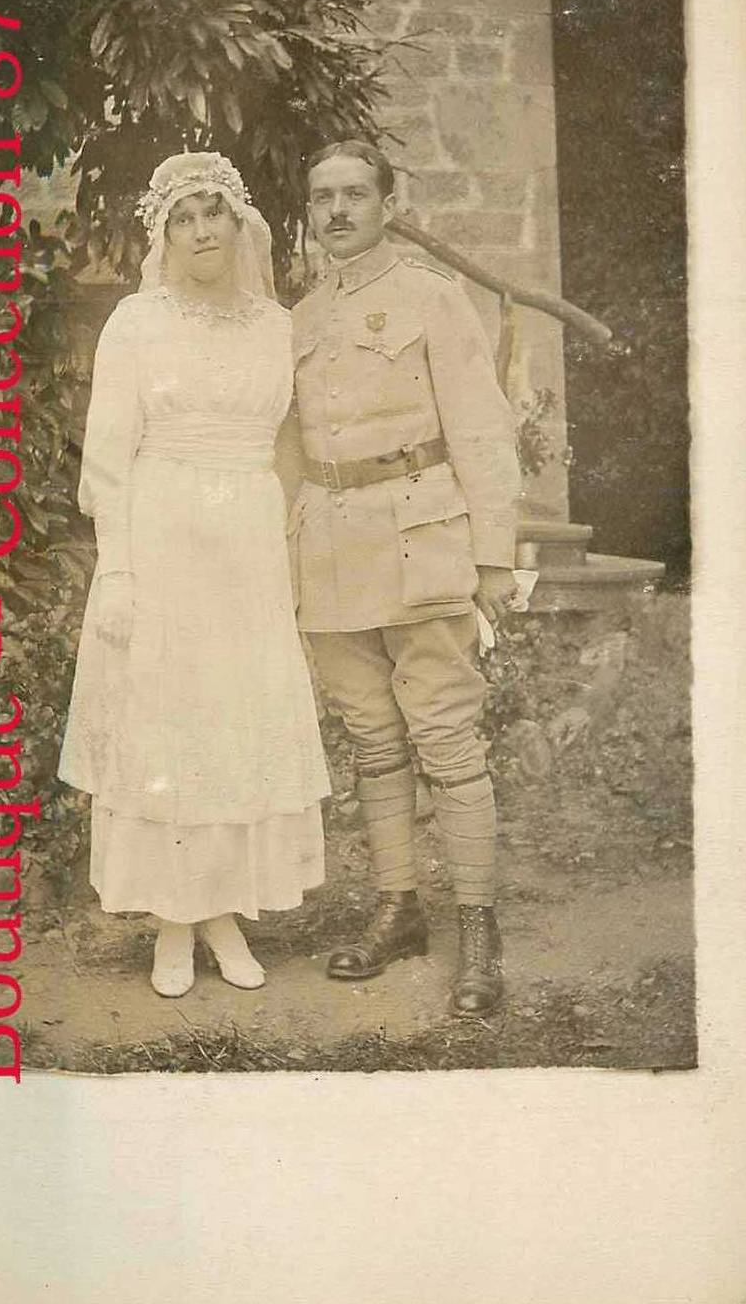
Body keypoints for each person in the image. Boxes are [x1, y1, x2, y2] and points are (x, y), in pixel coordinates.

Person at [59, 152, 330, 998]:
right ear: (163, 234)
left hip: (245, 546)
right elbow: (107, 461)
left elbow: (293, 445)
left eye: (215, 212)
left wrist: (286, 551)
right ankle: (173, 925)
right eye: (184, 217)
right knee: (169, 725)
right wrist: (122, 571)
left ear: (241, 223)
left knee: (233, 725)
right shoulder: (137, 324)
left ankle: (223, 912)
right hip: (163, 537)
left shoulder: (278, 327)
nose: (202, 230)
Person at [287, 139, 521, 1015]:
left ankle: (477, 925)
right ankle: (398, 906)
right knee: (373, 741)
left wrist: (493, 555)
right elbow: (289, 452)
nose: (337, 210)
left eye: (353, 193)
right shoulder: (301, 317)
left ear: (386, 202)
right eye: (322, 198)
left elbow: (481, 429)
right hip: (329, 548)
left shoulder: (433, 300)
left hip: (420, 537)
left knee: (447, 738)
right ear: (310, 213)